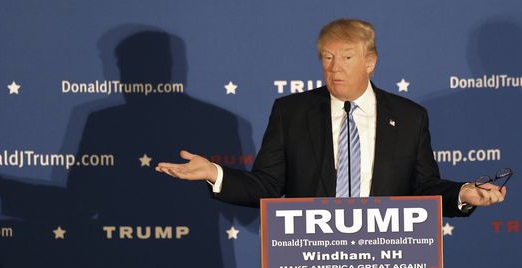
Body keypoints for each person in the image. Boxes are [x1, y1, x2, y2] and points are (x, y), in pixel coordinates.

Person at [156, 19, 507, 217]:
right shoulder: (291, 113)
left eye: (347, 58)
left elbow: (425, 188)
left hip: (388, 259)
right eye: (327, 57)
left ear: (370, 62)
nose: (334, 68)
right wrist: (214, 173)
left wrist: (463, 193)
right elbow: (265, 186)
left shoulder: (409, 117)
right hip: (309, 259)